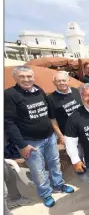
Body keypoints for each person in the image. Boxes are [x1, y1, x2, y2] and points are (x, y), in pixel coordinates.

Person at [4, 66, 74, 208]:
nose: (26, 79)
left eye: (29, 76)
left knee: (54, 162)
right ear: (15, 78)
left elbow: (49, 114)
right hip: (29, 140)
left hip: (49, 136)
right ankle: (45, 193)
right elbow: (8, 122)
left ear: (33, 77)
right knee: (38, 169)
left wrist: (57, 134)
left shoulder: (38, 90)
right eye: (22, 77)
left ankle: (58, 185)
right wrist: (22, 145)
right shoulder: (9, 94)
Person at [47, 71, 89, 183]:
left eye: (63, 80)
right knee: (76, 154)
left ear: (68, 80)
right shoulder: (51, 99)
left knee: (88, 150)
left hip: (84, 128)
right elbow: (52, 119)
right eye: (58, 81)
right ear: (54, 82)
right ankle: (82, 175)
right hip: (68, 133)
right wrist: (60, 135)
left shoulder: (77, 92)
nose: (62, 83)